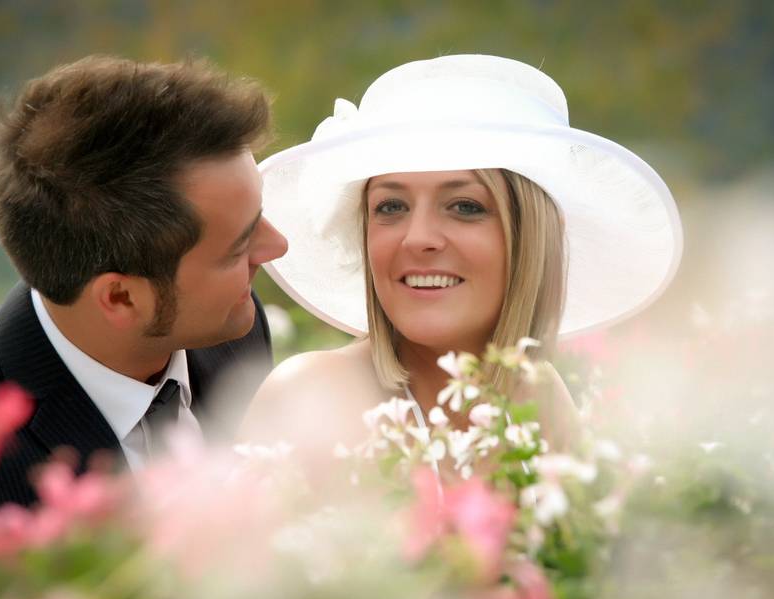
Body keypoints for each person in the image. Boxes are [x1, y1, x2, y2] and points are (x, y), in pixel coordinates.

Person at [241, 54, 681, 459]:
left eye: (465, 207)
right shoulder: (312, 398)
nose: (418, 239)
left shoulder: (539, 400)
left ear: (533, 235)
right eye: (391, 207)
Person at [0, 56, 288, 508]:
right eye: (238, 247)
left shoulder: (232, 330)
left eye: (260, 217)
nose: (277, 247)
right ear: (120, 297)